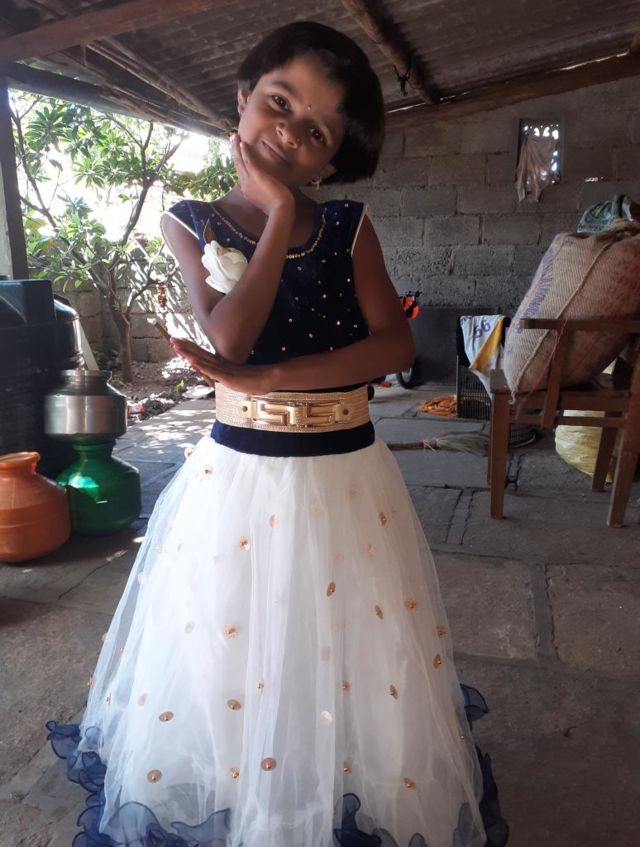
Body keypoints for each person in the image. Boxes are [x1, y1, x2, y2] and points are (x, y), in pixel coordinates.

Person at [47, 21, 507, 847]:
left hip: (346, 470)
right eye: (280, 102)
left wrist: (271, 379)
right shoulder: (191, 221)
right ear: (243, 99)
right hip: (240, 478)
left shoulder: (350, 226)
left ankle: (336, 772)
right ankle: (246, 782)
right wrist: (280, 211)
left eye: (318, 131)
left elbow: (394, 346)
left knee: (347, 634)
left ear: (331, 161)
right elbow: (229, 336)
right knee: (234, 635)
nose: (291, 131)